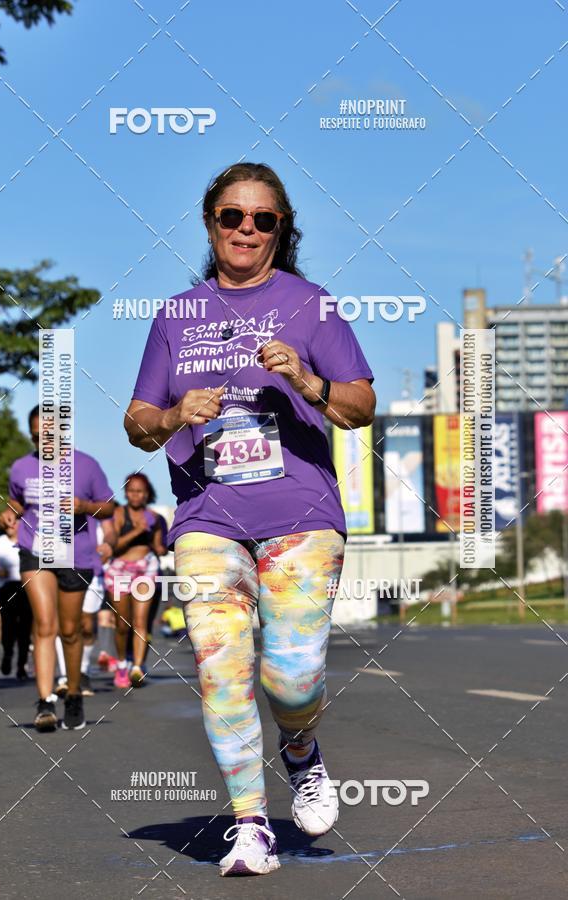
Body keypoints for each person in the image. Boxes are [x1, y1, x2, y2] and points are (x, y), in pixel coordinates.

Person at [124, 162, 376, 876]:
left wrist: (306, 380)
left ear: (281, 229)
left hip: (301, 514)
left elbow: (359, 408)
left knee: (291, 679)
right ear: (209, 222)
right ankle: (250, 825)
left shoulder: (313, 306)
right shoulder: (176, 315)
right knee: (220, 666)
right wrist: (174, 414)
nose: (246, 229)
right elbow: (139, 420)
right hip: (207, 517)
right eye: (232, 216)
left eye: (263, 219)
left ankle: (300, 747)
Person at [0, 405, 115, 732]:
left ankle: (73, 693)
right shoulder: (21, 467)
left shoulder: (86, 466)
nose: (43, 442)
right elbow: (17, 501)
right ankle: (45, 702)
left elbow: (108, 508)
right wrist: (9, 513)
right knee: (44, 623)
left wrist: (84, 507)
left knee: (70, 629)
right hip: (35, 549)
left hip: (76, 554)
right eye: (37, 436)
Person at [103, 474, 167, 688]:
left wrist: (161, 547)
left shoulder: (155, 517)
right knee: (123, 625)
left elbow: (159, 546)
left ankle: (138, 667)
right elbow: (115, 546)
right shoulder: (118, 514)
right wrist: (138, 531)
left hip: (145, 567)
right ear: (126, 492)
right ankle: (122, 663)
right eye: (131, 491)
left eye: (139, 491)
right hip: (120, 568)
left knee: (141, 621)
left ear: (146, 493)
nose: (135, 495)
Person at [55, 515, 116, 697]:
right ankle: (66, 676)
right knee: (65, 626)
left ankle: (83, 671)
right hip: (62, 569)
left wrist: (108, 545)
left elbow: (110, 532)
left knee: (87, 626)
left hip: (92, 572)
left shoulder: (95, 508)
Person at [0, 519, 32, 679]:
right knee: (8, 624)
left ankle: (21, 664)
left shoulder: (30, 538)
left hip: (27, 587)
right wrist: (0, 573)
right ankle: (7, 654)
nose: (10, 526)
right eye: (6, 524)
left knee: (25, 627)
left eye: (13, 523)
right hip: (7, 588)